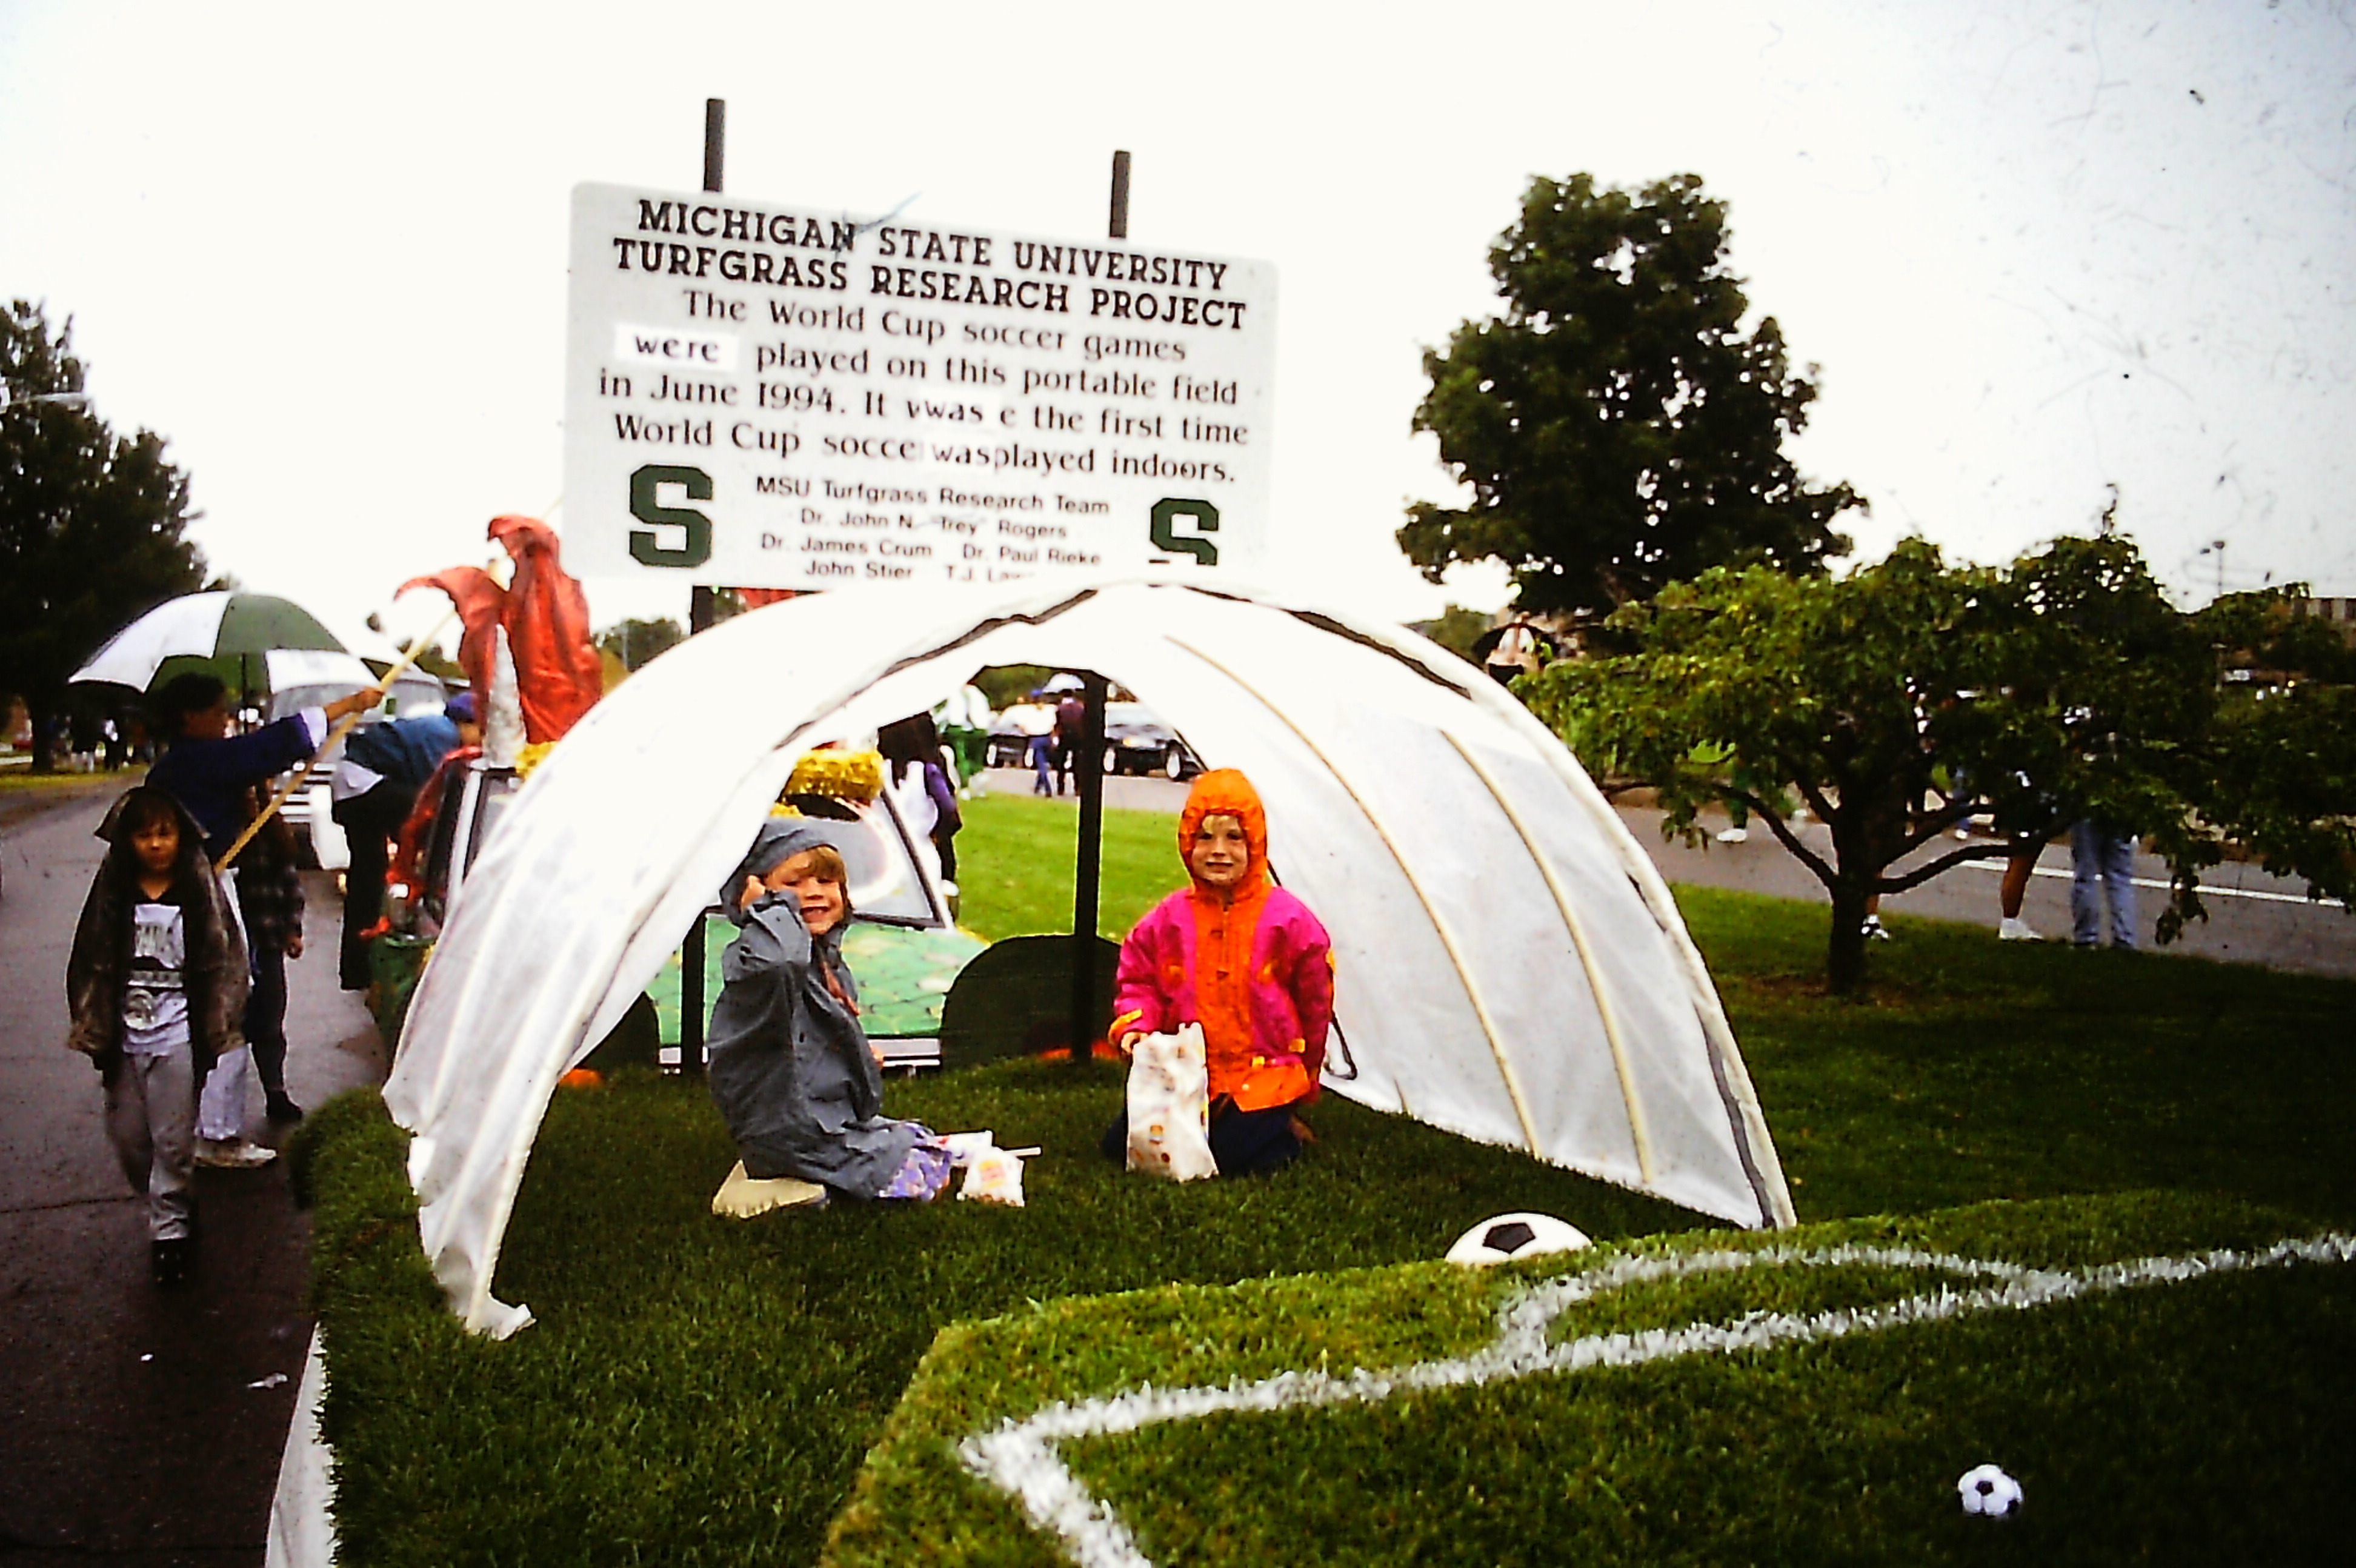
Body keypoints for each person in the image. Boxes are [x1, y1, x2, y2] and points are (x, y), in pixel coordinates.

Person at [146, 672, 384, 1160]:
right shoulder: (197, 763)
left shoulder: (176, 769)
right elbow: (269, 747)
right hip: (206, 898)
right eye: (217, 712)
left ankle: (193, 1126)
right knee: (229, 1008)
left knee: (209, 1010)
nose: (225, 721)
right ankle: (217, 1134)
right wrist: (348, 705)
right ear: (191, 719)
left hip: (196, 898)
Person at [1101, 769, 1336, 1177]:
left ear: (1256, 843)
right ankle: (1254, 1130)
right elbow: (1138, 980)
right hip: (1186, 1072)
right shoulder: (1168, 920)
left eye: (1234, 838)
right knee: (1122, 1146)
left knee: (1225, 1158)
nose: (1218, 851)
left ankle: (1279, 1129)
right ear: (1187, 842)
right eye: (1205, 837)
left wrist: (1308, 1076)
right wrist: (1137, 1029)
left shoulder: (1290, 921)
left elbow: (1315, 1003)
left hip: (1263, 1076)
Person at [704, 820, 953, 1203]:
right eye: (794, 885)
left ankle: (804, 1185)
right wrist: (766, 913)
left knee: (920, 1142)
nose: (814, 894)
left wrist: (852, 1053)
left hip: (825, 1117)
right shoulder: (763, 964)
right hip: (789, 1128)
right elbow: (780, 963)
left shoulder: (822, 962)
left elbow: (813, 1038)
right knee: (913, 1177)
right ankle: (783, 1189)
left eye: (826, 882)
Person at [64, 787, 249, 1285]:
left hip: (177, 1038)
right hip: (124, 1039)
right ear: (126, 841)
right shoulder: (114, 894)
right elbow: (87, 960)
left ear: (180, 837)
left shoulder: (198, 893)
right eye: (144, 835)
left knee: (172, 1139)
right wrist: (91, 1022)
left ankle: (170, 1232)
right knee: (130, 1140)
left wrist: (218, 1026)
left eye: (164, 833)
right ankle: (172, 1201)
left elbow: (226, 961)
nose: (155, 844)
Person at [330, 692, 481, 989]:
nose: (479, 741)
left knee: (367, 881)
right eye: (480, 731)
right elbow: (434, 793)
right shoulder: (442, 735)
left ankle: (357, 970)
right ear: (466, 723)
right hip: (364, 787)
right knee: (431, 831)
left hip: (351, 790)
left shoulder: (436, 729)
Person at [877, 712, 962, 888]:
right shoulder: (927, 771)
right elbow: (949, 811)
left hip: (883, 851)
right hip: (921, 849)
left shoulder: (877, 770)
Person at [2070, 818, 2139, 949]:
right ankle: (2125, 937)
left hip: (2087, 814)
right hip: (2122, 813)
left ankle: (2087, 937)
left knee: (2086, 876)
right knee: (2120, 879)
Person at [1052, 691, 1086, 796]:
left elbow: (1057, 724)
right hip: (1078, 738)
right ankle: (1078, 788)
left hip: (1064, 737)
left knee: (1061, 763)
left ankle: (1060, 788)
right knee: (1078, 764)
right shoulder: (1081, 708)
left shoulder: (1060, 709)